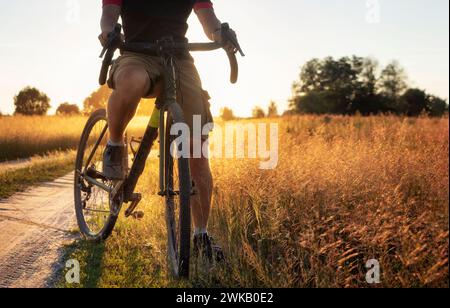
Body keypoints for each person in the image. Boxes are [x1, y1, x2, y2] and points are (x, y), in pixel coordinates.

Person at [99, 0, 236, 261]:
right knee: (132, 81)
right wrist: (110, 33)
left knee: (196, 150)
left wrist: (222, 34)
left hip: (179, 58)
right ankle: (114, 144)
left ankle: (201, 235)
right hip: (137, 53)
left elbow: (210, 23)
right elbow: (108, 16)